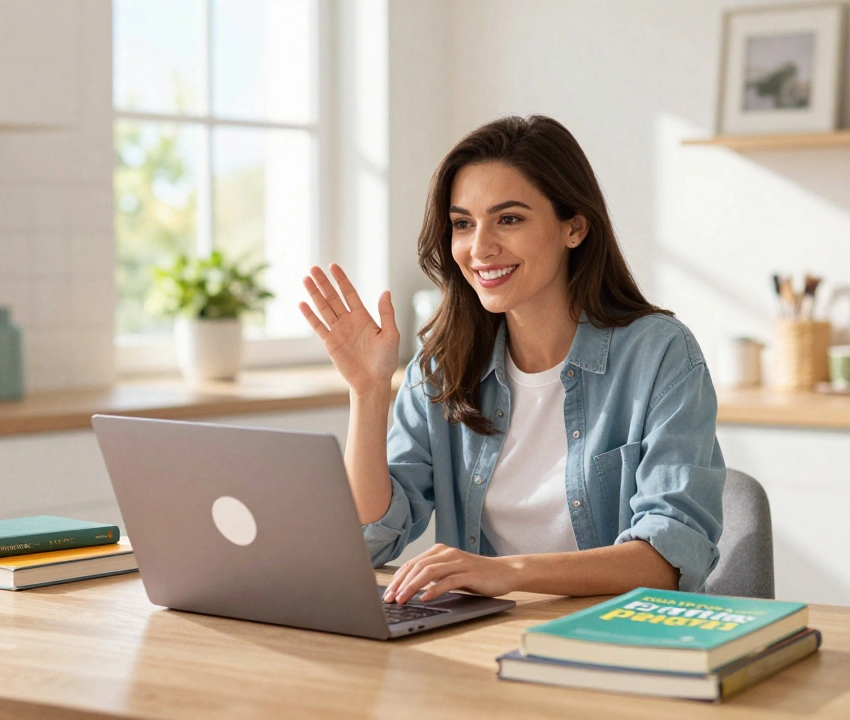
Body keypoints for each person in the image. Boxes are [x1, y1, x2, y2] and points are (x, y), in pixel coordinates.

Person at [300, 115, 725, 605]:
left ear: (574, 227)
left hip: (618, 634)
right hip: (486, 637)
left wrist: (508, 572)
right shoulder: (442, 366)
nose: (480, 248)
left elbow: (670, 556)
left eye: (509, 219)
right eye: (463, 224)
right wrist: (368, 392)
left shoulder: (660, 354)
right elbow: (370, 539)